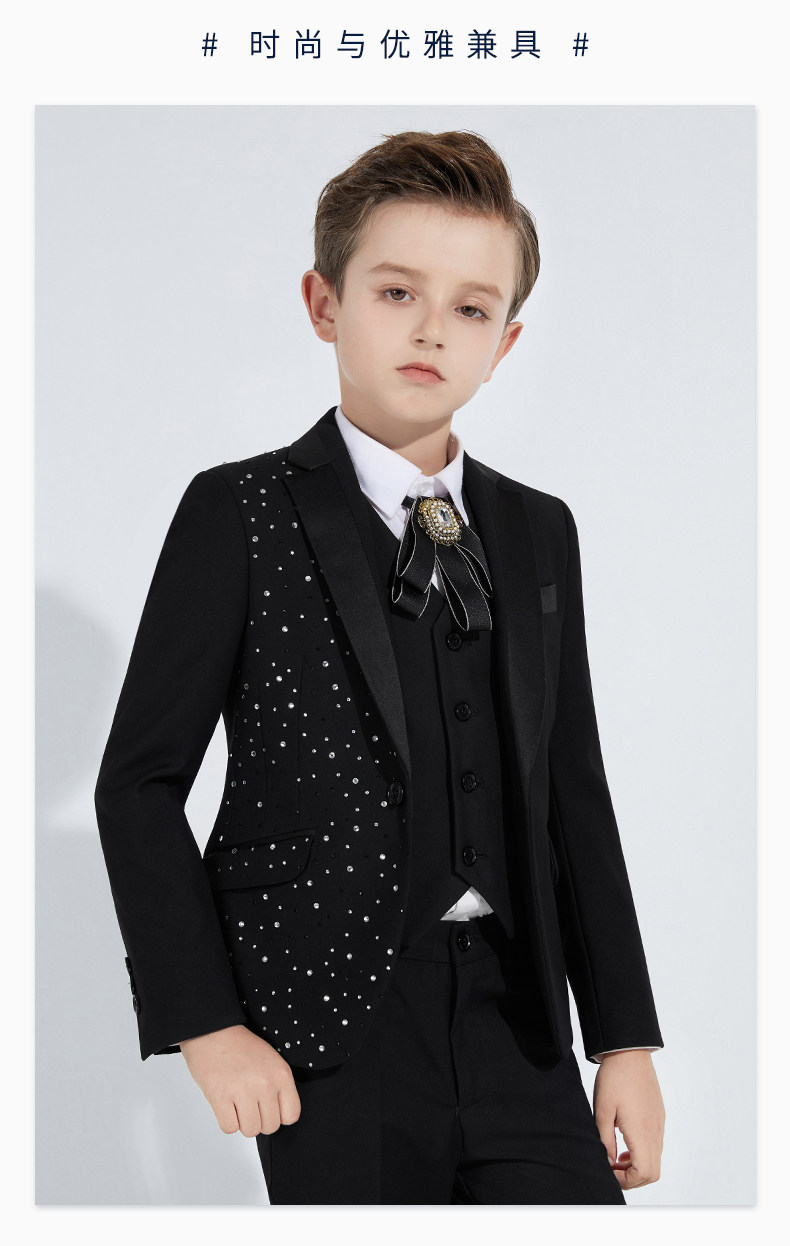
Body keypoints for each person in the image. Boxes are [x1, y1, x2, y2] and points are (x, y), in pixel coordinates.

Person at [94, 129, 666, 1205]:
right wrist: (208, 1025)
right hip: (326, 1025)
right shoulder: (240, 511)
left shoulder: (538, 530)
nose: (431, 329)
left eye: (471, 308)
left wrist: (623, 1039)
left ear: (505, 341)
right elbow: (139, 784)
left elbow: (571, 789)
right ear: (324, 303)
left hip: (520, 1023)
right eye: (397, 292)